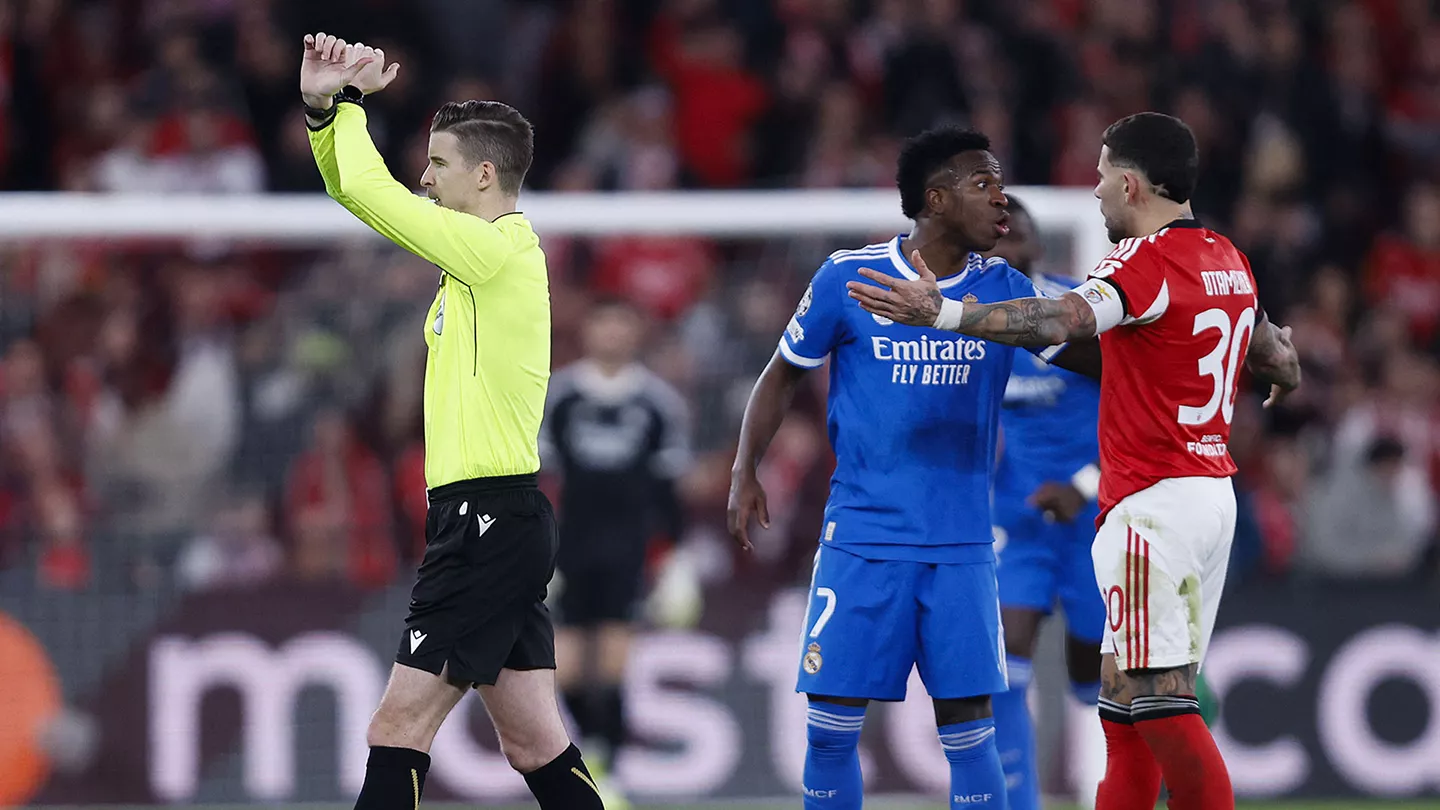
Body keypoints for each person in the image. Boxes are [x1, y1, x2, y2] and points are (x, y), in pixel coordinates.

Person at [847, 112, 1302, 810]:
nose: (1093, 194)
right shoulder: (1225, 257)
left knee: (1160, 708)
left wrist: (943, 313)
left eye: (1098, 177)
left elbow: (1059, 320)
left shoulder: (1140, 262)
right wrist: (1287, 369)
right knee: (1124, 711)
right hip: (1209, 496)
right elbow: (1270, 351)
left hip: (1153, 506)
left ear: (1129, 182)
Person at [728, 127, 1096, 810]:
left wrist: (981, 319)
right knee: (832, 732)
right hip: (862, 539)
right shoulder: (849, 277)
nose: (1001, 200)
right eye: (982, 183)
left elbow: (1096, 363)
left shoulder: (1001, 286)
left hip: (962, 547)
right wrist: (745, 469)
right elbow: (780, 375)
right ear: (935, 199)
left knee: (969, 734)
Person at [299, 33, 605, 810]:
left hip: (487, 521)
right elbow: (351, 191)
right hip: (490, 518)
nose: (425, 177)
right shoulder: (480, 262)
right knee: (535, 743)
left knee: (396, 727)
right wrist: (319, 110)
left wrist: (350, 103)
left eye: (437, 163)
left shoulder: (496, 252)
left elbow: (373, 197)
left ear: (484, 172)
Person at [542, 299, 690, 806]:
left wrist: (672, 560)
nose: (612, 334)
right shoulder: (559, 397)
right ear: (589, 330)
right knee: (565, 671)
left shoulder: (657, 403)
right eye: (603, 321)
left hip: (627, 551)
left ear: (636, 334)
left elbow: (668, 492)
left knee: (612, 666)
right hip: (569, 549)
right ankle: (595, 758)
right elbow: (539, 481)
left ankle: (606, 770)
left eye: (621, 324)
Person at [983, 197, 1105, 810]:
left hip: (1093, 518)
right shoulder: (973, 327)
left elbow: (1142, 420)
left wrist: (1082, 487)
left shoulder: (1077, 314)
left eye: (1015, 237)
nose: (1002, 247)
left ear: (1036, 247)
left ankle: (1188, 699)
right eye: (992, 238)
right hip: (1018, 524)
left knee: (1096, 683)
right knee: (1003, 668)